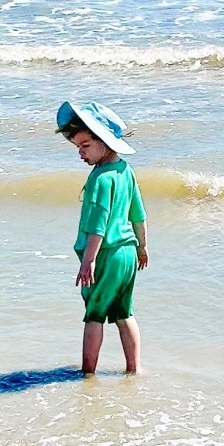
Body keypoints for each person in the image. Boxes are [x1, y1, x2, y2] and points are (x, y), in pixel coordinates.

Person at [55, 100, 148, 375]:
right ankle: (134, 369)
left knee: (94, 315)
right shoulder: (126, 171)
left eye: (85, 145)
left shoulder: (100, 179)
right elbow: (138, 215)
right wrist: (143, 247)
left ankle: (88, 373)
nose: (80, 153)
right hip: (128, 253)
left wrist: (89, 261)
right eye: (77, 147)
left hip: (106, 254)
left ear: (104, 142)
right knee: (124, 313)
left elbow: (98, 224)